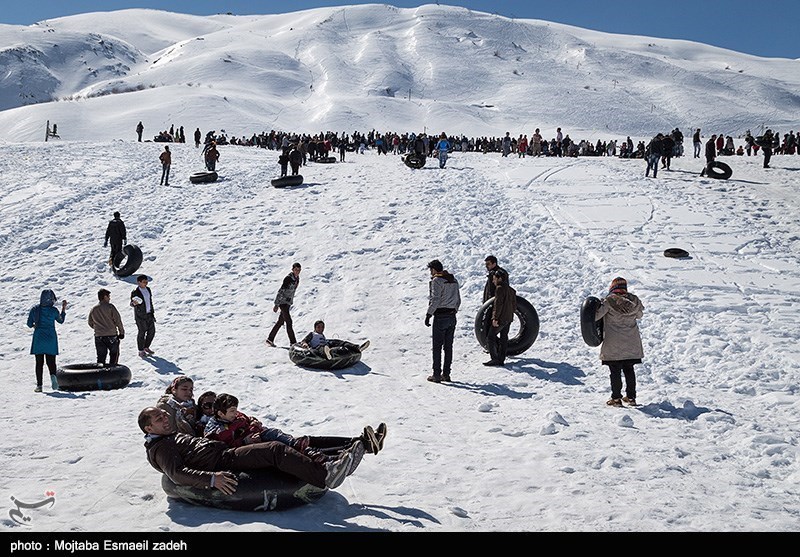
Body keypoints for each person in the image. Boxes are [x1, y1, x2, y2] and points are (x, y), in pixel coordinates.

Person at [138, 406, 362, 493]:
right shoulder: (160, 447)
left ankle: (335, 460)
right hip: (222, 462)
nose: (165, 419)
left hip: (224, 454)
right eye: (159, 419)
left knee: (281, 443)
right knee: (274, 449)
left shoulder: (167, 437)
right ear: (149, 428)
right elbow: (175, 473)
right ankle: (326, 476)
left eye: (165, 415)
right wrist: (212, 479)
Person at [594, 277, 644, 407]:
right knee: (629, 370)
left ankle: (616, 398)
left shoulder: (609, 301)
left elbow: (596, 316)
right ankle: (631, 397)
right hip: (631, 342)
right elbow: (639, 315)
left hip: (614, 343)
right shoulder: (634, 301)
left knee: (615, 371)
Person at [425, 259, 461, 383]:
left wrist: (429, 314)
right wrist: (454, 311)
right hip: (452, 316)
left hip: (440, 317)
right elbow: (458, 300)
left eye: (431, 270)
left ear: (434, 269)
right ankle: (446, 374)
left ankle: (436, 374)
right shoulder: (453, 280)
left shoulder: (437, 281)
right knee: (448, 347)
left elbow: (435, 299)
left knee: (437, 347)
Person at [27, 289, 67, 392]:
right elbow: (61, 321)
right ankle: (54, 379)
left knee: (39, 363)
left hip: (39, 338)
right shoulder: (53, 310)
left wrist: (34, 325)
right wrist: (63, 309)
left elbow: (29, 324)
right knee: (51, 362)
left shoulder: (35, 309)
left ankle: (39, 386)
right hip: (51, 338)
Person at [484, 270, 516, 367]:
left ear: (500, 278)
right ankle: (501, 359)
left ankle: (494, 358)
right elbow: (514, 306)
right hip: (508, 318)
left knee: (490, 336)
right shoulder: (511, 290)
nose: (493, 281)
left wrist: (495, 318)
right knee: (504, 338)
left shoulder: (499, 289)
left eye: (495, 279)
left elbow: (498, 305)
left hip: (501, 318)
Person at [265, 263, 301, 347]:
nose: (297, 272)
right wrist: (276, 304)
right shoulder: (288, 279)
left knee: (280, 321)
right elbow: (281, 291)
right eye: (296, 270)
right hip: (283, 303)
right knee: (289, 322)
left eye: (299, 270)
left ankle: (270, 339)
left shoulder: (297, 279)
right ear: (292, 269)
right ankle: (293, 342)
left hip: (288, 303)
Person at [87, 288, 125, 366]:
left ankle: (100, 375)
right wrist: (121, 332)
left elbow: (90, 322)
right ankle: (112, 373)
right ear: (105, 297)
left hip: (99, 336)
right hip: (111, 335)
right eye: (108, 296)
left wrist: (98, 328)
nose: (109, 298)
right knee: (114, 355)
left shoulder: (94, 309)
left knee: (101, 357)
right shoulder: (110, 307)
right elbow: (117, 320)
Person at [299, 320, 370, 360]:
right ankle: (328, 353)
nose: (321, 329)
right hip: (318, 348)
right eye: (319, 327)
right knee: (323, 347)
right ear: (315, 327)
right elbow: (304, 341)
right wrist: (305, 344)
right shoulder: (312, 334)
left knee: (338, 342)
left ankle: (357, 347)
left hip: (326, 345)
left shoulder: (322, 335)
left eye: (322, 327)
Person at [130, 274, 156, 358]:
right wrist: (133, 303)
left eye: (146, 282)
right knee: (142, 332)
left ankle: (146, 347)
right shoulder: (135, 292)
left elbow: (149, 301)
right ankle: (140, 350)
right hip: (140, 316)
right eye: (144, 282)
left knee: (152, 332)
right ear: (139, 282)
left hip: (149, 314)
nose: (146, 284)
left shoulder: (148, 289)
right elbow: (132, 303)